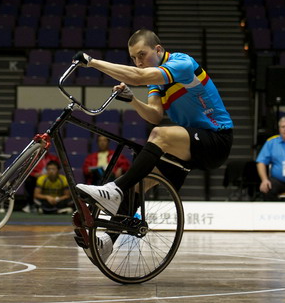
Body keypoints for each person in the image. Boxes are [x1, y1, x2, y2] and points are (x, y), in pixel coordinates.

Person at [73, 29, 233, 260]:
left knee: (159, 135)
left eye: (142, 55)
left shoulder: (183, 63)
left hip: (216, 140)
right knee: (136, 187)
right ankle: (107, 241)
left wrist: (92, 62)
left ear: (158, 50)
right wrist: (132, 100)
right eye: (134, 59)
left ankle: (114, 189)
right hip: (189, 145)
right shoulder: (157, 83)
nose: (138, 62)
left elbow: (138, 78)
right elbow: (154, 114)